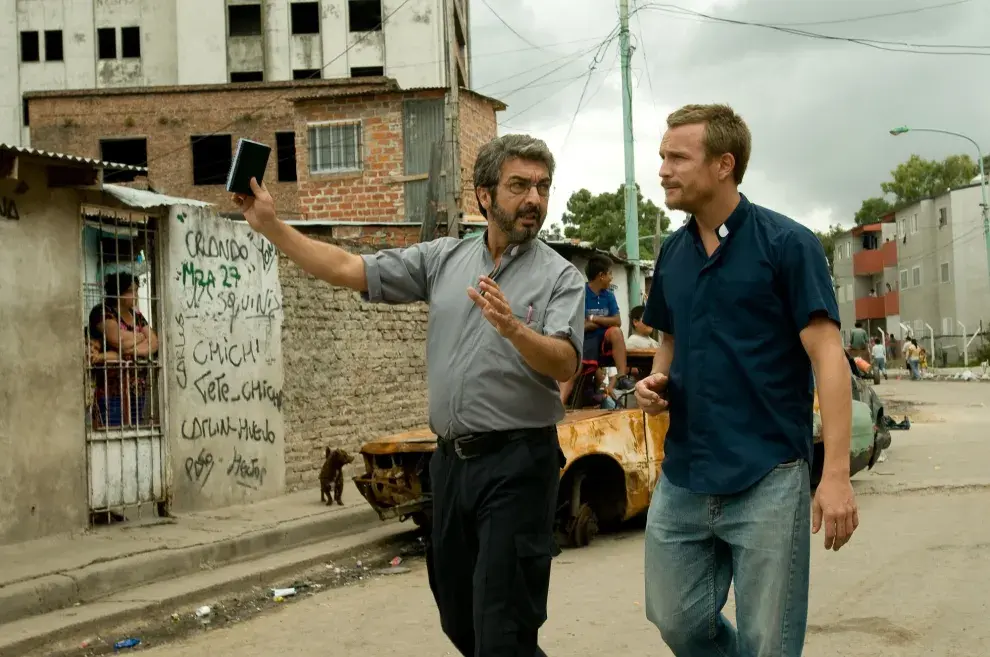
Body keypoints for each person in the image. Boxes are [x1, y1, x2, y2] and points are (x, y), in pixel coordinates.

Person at [233, 133, 585, 657]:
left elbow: (565, 360)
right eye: (519, 185)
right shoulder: (444, 259)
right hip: (451, 465)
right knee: (460, 619)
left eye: (542, 186)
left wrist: (513, 329)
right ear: (485, 195)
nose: (534, 198)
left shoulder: (561, 277)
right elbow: (351, 270)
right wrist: (271, 226)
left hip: (518, 463)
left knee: (503, 627)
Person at [634, 103, 857, 657]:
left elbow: (829, 357)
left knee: (769, 643)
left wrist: (836, 476)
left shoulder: (787, 245)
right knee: (674, 619)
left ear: (723, 165)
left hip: (768, 477)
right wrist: (654, 384)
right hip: (685, 474)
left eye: (678, 157)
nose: (662, 169)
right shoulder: (672, 253)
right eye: (662, 156)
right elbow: (670, 340)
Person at [558, 255, 635, 404]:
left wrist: (594, 319)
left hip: (604, 340)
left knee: (616, 332)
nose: (612, 278)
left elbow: (617, 322)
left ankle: (621, 377)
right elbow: (578, 324)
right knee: (575, 369)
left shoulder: (609, 296)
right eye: (610, 273)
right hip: (584, 340)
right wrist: (600, 322)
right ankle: (561, 404)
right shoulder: (580, 293)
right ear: (601, 276)